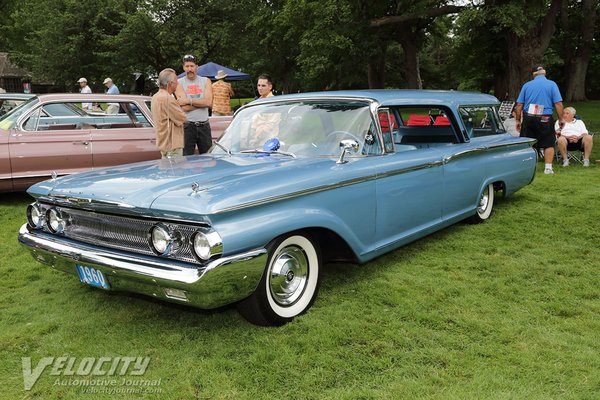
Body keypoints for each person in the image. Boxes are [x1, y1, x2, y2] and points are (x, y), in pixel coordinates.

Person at [514, 65, 563, 175]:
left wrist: (518, 120)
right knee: (548, 142)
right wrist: (561, 119)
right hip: (545, 117)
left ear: (533, 74)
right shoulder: (552, 84)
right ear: (544, 73)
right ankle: (548, 168)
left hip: (529, 117)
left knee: (527, 142)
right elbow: (558, 103)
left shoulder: (527, 85)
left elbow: (519, 105)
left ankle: (526, 167)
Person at [175, 54, 213, 155]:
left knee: (208, 157)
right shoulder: (178, 83)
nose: (189, 69)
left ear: (197, 66)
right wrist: (202, 102)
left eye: (192, 66)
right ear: (183, 67)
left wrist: (189, 101)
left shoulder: (206, 81)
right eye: (187, 66)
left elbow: (209, 102)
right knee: (186, 159)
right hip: (187, 126)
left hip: (204, 125)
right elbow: (185, 108)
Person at [151, 68, 187, 159]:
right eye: (176, 81)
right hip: (172, 145)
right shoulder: (168, 99)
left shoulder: (155, 97)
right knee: (175, 172)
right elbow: (182, 118)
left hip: (163, 143)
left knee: (166, 171)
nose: (177, 83)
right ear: (170, 83)